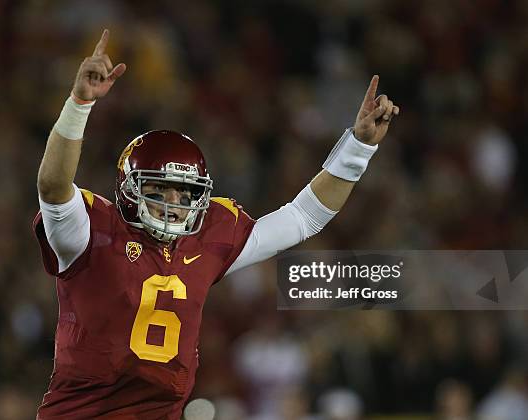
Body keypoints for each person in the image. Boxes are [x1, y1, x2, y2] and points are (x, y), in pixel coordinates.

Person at [33, 29, 399, 420]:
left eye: (185, 192)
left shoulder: (209, 236)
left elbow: (303, 217)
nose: (174, 203)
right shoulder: (92, 230)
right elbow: (54, 187)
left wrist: (358, 148)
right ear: (130, 188)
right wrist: (80, 103)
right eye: (161, 188)